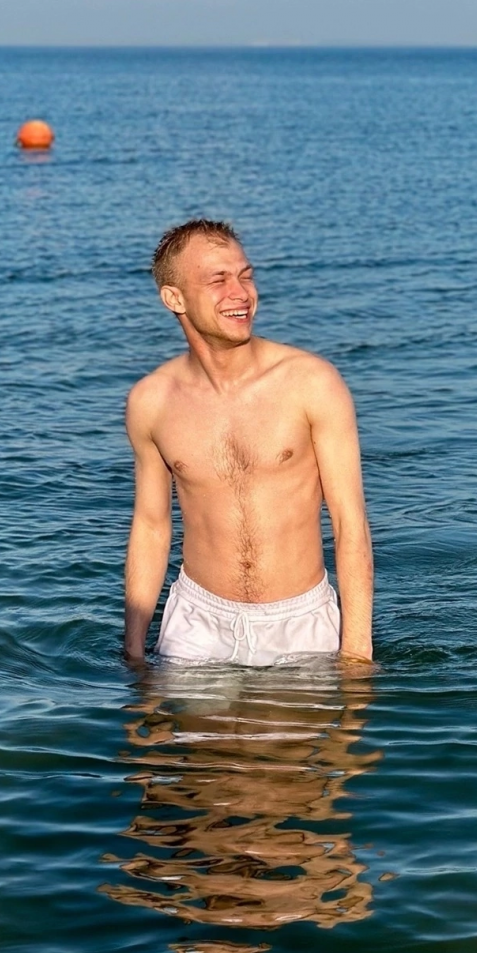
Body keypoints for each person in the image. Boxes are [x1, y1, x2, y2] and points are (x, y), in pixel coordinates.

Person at [123, 218, 374, 666]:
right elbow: (151, 526)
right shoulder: (152, 401)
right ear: (174, 298)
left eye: (245, 275)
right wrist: (133, 649)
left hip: (299, 620)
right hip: (197, 623)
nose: (240, 293)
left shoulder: (311, 383)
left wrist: (357, 652)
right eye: (218, 280)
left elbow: (349, 522)